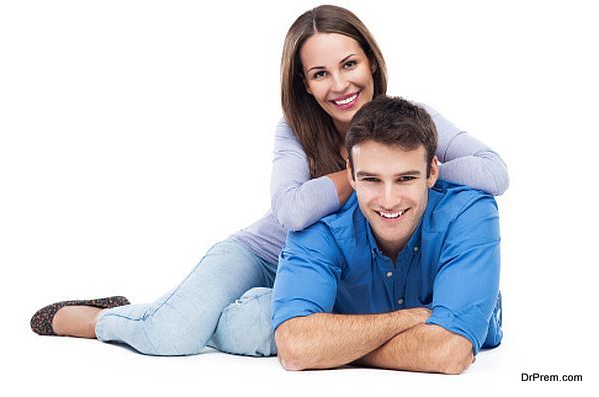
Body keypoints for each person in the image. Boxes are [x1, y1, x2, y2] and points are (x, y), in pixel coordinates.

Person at [30, 5, 508, 357]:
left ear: (372, 63)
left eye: (349, 65)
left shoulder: (414, 120)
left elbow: (494, 173)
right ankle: (98, 318)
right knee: (173, 334)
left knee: (266, 332)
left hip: (335, 275)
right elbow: (294, 211)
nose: (340, 85)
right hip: (263, 254)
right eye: (320, 73)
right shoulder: (294, 131)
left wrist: (426, 173)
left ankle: (213, 313)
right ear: (304, 83)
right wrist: (358, 176)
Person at [272, 95, 502, 374]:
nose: (389, 200)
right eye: (371, 179)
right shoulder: (320, 225)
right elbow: (296, 348)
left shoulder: (470, 212)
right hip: (268, 264)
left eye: (405, 178)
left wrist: (333, 347)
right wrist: (415, 318)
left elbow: (449, 352)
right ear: (351, 176)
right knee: (248, 326)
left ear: (432, 172)